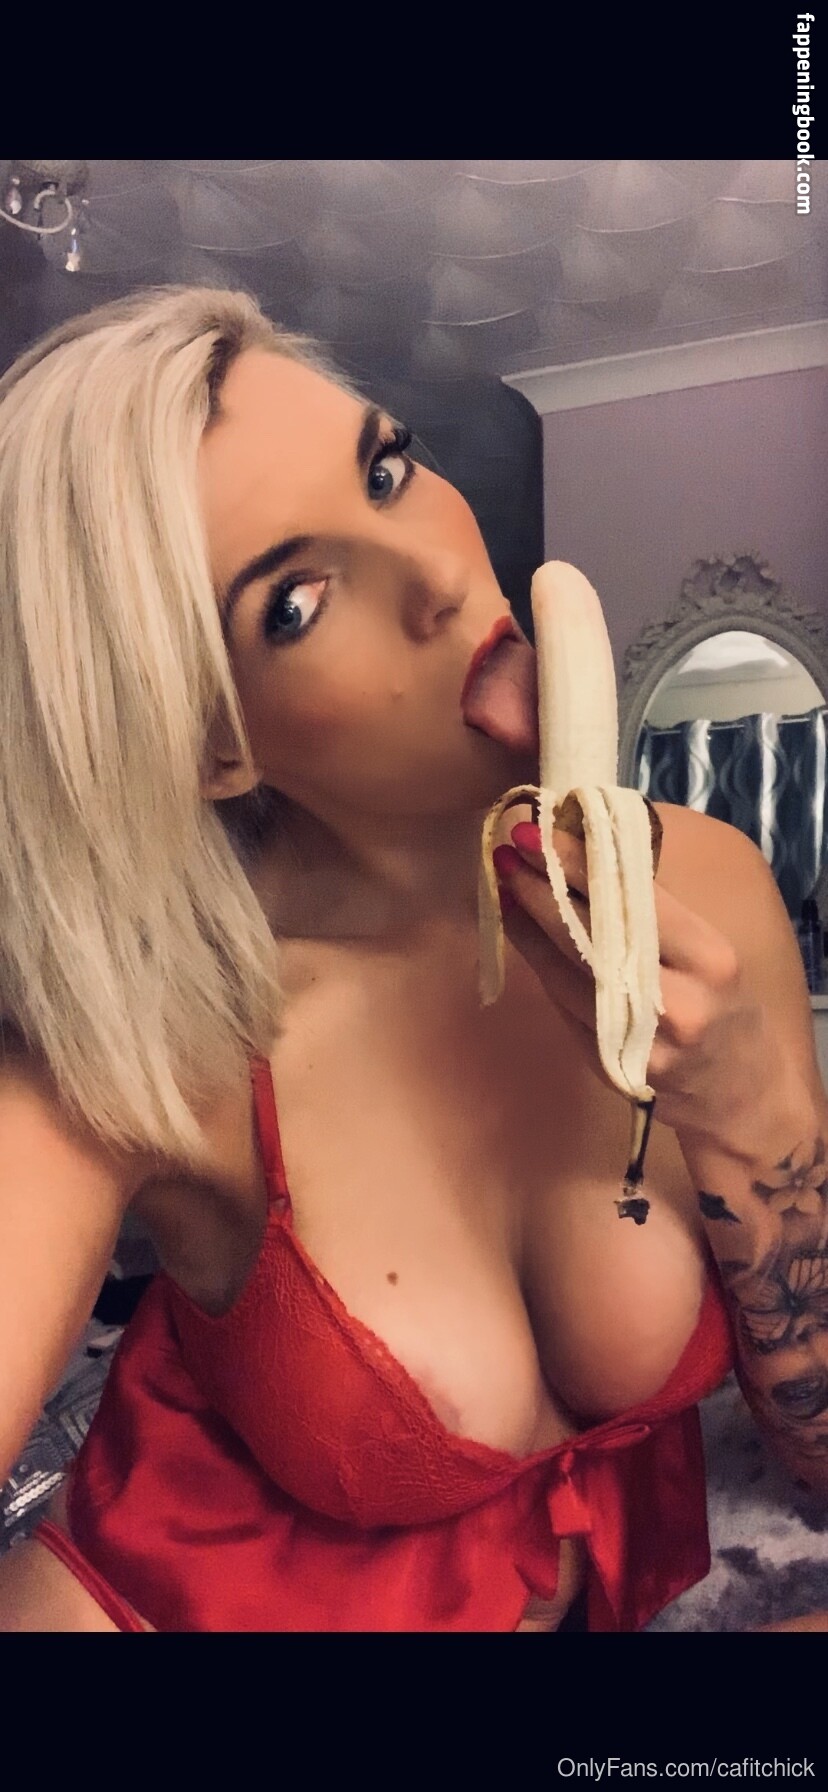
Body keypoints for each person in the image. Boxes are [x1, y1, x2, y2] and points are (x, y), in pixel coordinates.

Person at [0, 286, 825, 1633]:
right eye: (298, 600)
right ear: (211, 744)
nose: (441, 572)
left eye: (387, 470)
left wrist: (753, 1112)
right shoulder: (164, 1026)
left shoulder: (707, 886)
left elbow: (818, 1455)